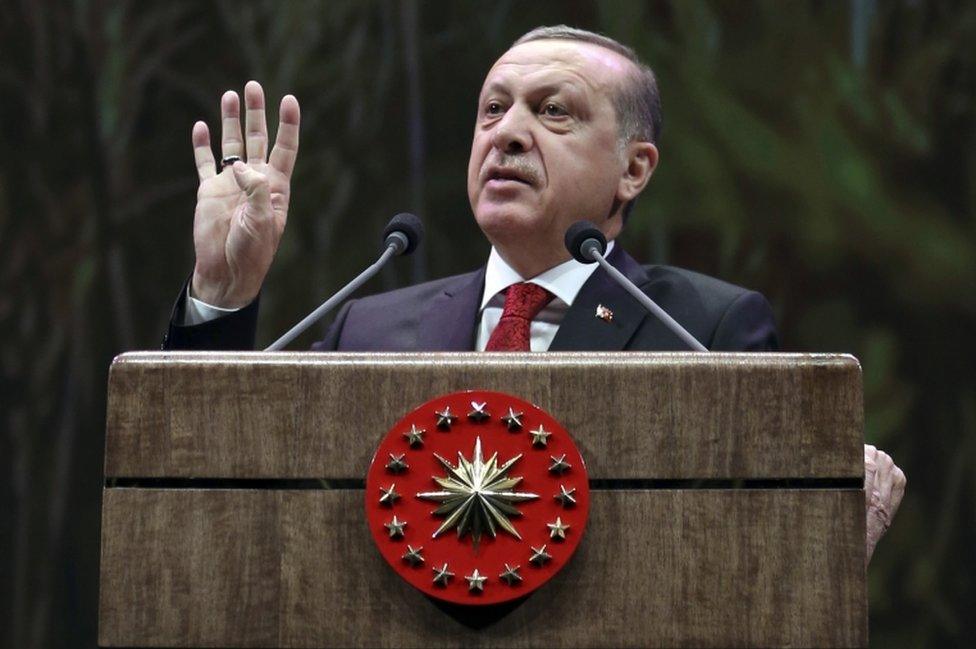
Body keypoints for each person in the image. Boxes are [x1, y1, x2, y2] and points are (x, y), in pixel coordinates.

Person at [161, 25, 905, 563]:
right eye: (492, 110)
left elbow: (746, 559)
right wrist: (223, 293)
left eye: (554, 112)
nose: (507, 134)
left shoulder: (703, 327)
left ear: (634, 170)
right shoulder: (371, 326)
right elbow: (206, 488)